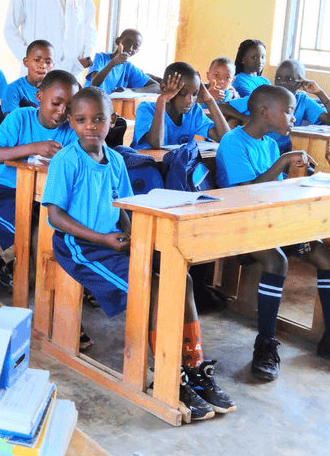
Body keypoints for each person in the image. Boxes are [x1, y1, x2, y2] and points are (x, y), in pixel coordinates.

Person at [41, 87, 234, 420]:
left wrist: (133, 237)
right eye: (83, 120)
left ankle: (194, 365)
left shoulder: (115, 159)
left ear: (112, 121)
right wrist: (103, 239)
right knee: (151, 287)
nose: (91, 126)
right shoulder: (66, 161)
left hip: (112, 239)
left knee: (181, 278)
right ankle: (166, 373)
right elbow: (55, 216)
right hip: (79, 246)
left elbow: (125, 207)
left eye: (99, 119)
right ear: (71, 122)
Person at [215, 85, 330, 380]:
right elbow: (244, 192)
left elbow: (276, 189)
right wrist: (283, 161)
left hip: (272, 222)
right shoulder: (233, 141)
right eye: (289, 111)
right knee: (277, 261)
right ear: (265, 112)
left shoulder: (267, 143)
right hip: (239, 223)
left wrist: (300, 175)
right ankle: (265, 344)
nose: (294, 117)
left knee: (328, 255)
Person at [0, 70, 80, 291]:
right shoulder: (20, 118)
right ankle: (28, 276)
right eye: (56, 103)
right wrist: (34, 147)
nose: (61, 112)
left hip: (38, 195)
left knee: (56, 225)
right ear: (39, 97)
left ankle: (29, 274)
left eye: (69, 107)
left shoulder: (70, 131)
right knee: (31, 227)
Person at [220, 59, 330, 151]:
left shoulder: (303, 101)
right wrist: (244, 118)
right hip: (258, 149)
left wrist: (320, 93)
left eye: (289, 79)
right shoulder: (266, 97)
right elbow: (222, 106)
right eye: (278, 78)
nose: (282, 82)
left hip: (280, 152)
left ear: (300, 82)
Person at [131, 62, 229, 149]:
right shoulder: (146, 109)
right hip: (148, 166)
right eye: (182, 93)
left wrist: (209, 100)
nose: (190, 100)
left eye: (195, 94)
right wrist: (162, 100)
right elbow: (156, 144)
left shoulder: (194, 111)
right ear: (164, 88)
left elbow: (225, 139)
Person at [87, 28, 159, 92]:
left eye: (135, 47)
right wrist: (113, 63)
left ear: (137, 51)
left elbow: (157, 87)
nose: (130, 48)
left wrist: (130, 90)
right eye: (128, 43)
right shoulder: (100, 57)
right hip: (90, 101)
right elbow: (95, 84)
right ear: (118, 41)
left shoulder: (130, 68)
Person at [1, 40, 55, 115]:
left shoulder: (56, 90)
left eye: (48, 62)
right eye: (37, 60)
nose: (43, 66)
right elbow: (13, 121)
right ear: (26, 62)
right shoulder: (14, 89)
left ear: (53, 65)